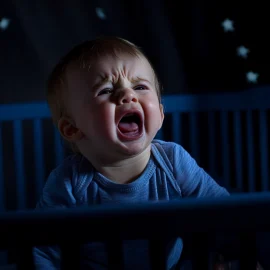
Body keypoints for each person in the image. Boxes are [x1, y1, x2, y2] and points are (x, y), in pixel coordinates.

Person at [33, 36, 229, 269]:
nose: (128, 95)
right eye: (105, 90)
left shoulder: (173, 161)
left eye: (140, 87)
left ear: (161, 114)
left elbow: (223, 213)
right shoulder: (69, 182)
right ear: (72, 128)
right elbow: (43, 250)